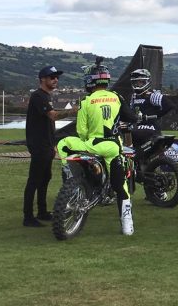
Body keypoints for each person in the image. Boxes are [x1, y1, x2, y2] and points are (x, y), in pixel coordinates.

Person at [56, 59, 136, 235]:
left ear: (90, 81)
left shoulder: (86, 101)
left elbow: (81, 131)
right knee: (121, 186)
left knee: (63, 143)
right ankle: (127, 225)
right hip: (112, 146)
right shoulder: (116, 97)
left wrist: (87, 141)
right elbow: (132, 118)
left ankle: (69, 176)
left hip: (91, 145)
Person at [23, 66, 78, 228]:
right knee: (34, 180)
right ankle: (27, 216)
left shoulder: (46, 96)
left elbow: (49, 122)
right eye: (52, 77)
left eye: (57, 77)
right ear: (43, 79)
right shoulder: (38, 96)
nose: (55, 80)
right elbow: (53, 115)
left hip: (47, 144)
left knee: (45, 178)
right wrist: (73, 111)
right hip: (39, 145)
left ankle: (42, 211)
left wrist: (52, 144)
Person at [128, 69, 174, 149]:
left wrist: (156, 115)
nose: (138, 85)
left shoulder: (152, 95)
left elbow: (169, 105)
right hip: (137, 126)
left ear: (147, 82)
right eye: (136, 82)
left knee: (134, 134)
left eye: (140, 82)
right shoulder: (134, 97)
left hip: (151, 127)